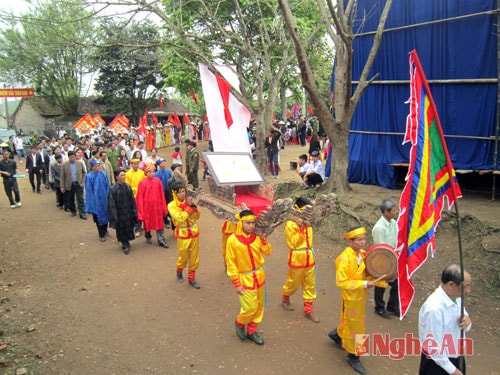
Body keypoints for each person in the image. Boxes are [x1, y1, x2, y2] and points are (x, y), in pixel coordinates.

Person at [327, 226, 388, 375]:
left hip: (360, 296)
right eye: (359, 240)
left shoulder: (363, 254)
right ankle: (354, 355)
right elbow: (341, 281)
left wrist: (380, 279)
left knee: (351, 321)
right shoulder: (345, 258)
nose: (363, 242)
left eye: (364, 239)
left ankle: (337, 334)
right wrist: (364, 284)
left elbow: (367, 273)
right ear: (350, 242)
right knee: (356, 327)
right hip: (351, 298)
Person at [225, 210, 272, 345]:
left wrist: (264, 239)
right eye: (248, 223)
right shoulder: (232, 240)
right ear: (240, 223)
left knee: (259, 306)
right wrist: (236, 283)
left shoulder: (257, 237)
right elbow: (231, 262)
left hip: (259, 276)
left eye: (253, 223)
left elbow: (268, 252)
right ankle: (240, 323)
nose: (251, 226)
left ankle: (252, 331)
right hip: (244, 279)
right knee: (249, 307)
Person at [418, 264, 472, 375]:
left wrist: (467, 322)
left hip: (456, 357)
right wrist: (453, 371)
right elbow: (433, 347)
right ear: (451, 285)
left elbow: (465, 323)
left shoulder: (457, 298)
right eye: (466, 286)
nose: (468, 290)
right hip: (437, 364)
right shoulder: (434, 309)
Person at [280, 197, 319, 323]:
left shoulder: (309, 222)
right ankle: (285, 298)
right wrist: (301, 227)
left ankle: (308, 310)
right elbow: (293, 243)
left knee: (310, 283)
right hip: (297, 256)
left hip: (309, 256)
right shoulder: (290, 224)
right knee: (293, 282)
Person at [168, 181, 201, 289]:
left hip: (193, 232)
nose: (183, 194)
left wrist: (194, 208)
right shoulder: (171, 206)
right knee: (183, 256)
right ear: (174, 193)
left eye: (183, 191)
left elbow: (197, 217)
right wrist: (189, 208)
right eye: (180, 192)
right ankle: (179, 271)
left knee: (194, 256)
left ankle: (191, 278)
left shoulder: (189, 202)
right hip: (182, 233)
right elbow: (180, 217)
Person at [372, 199, 399, 318]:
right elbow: (380, 248)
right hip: (383, 258)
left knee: (396, 282)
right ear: (385, 212)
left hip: (394, 256)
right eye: (393, 211)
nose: (395, 212)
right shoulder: (378, 228)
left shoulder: (394, 223)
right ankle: (379, 307)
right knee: (381, 283)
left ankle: (392, 306)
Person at [136, 163, 169, 248]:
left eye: (153, 171)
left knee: (159, 223)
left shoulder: (158, 181)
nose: (152, 173)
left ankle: (161, 239)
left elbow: (162, 194)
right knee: (147, 223)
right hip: (147, 207)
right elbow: (139, 197)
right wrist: (140, 210)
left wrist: (163, 207)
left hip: (157, 207)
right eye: (150, 172)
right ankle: (148, 236)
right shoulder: (142, 183)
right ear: (146, 173)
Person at [108, 169, 138, 255]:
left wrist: (134, 211)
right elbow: (111, 203)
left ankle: (127, 241)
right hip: (119, 213)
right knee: (121, 229)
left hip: (128, 212)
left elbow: (132, 200)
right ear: (117, 177)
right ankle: (124, 244)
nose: (123, 177)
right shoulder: (113, 189)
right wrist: (114, 216)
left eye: (124, 175)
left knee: (129, 226)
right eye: (121, 175)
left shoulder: (128, 187)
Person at [84, 160, 110, 242]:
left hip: (104, 198)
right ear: (92, 167)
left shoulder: (103, 174)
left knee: (106, 215)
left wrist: (109, 196)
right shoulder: (89, 176)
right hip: (95, 200)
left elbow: (107, 186)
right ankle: (101, 234)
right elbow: (88, 190)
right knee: (98, 217)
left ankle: (105, 230)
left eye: (98, 166)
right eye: (95, 166)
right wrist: (91, 201)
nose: (97, 168)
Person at [60, 150, 87, 220]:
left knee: (80, 199)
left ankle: (82, 213)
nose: (72, 158)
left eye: (73, 157)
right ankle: (73, 211)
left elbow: (84, 173)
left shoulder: (79, 163)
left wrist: (82, 181)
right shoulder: (64, 164)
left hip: (78, 183)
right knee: (71, 199)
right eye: (71, 157)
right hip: (69, 184)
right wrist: (62, 186)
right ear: (68, 157)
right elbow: (62, 176)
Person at [125, 157, 146, 237]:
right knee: (135, 212)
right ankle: (137, 228)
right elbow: (127, 186)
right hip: (133, 196)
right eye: (134, 164)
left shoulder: (142, 173)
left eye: (137, 164)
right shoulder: (128, 174)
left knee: (142, 211)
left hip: (142, 195)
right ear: (131, 164)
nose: (136, 165)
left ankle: (143, 226)